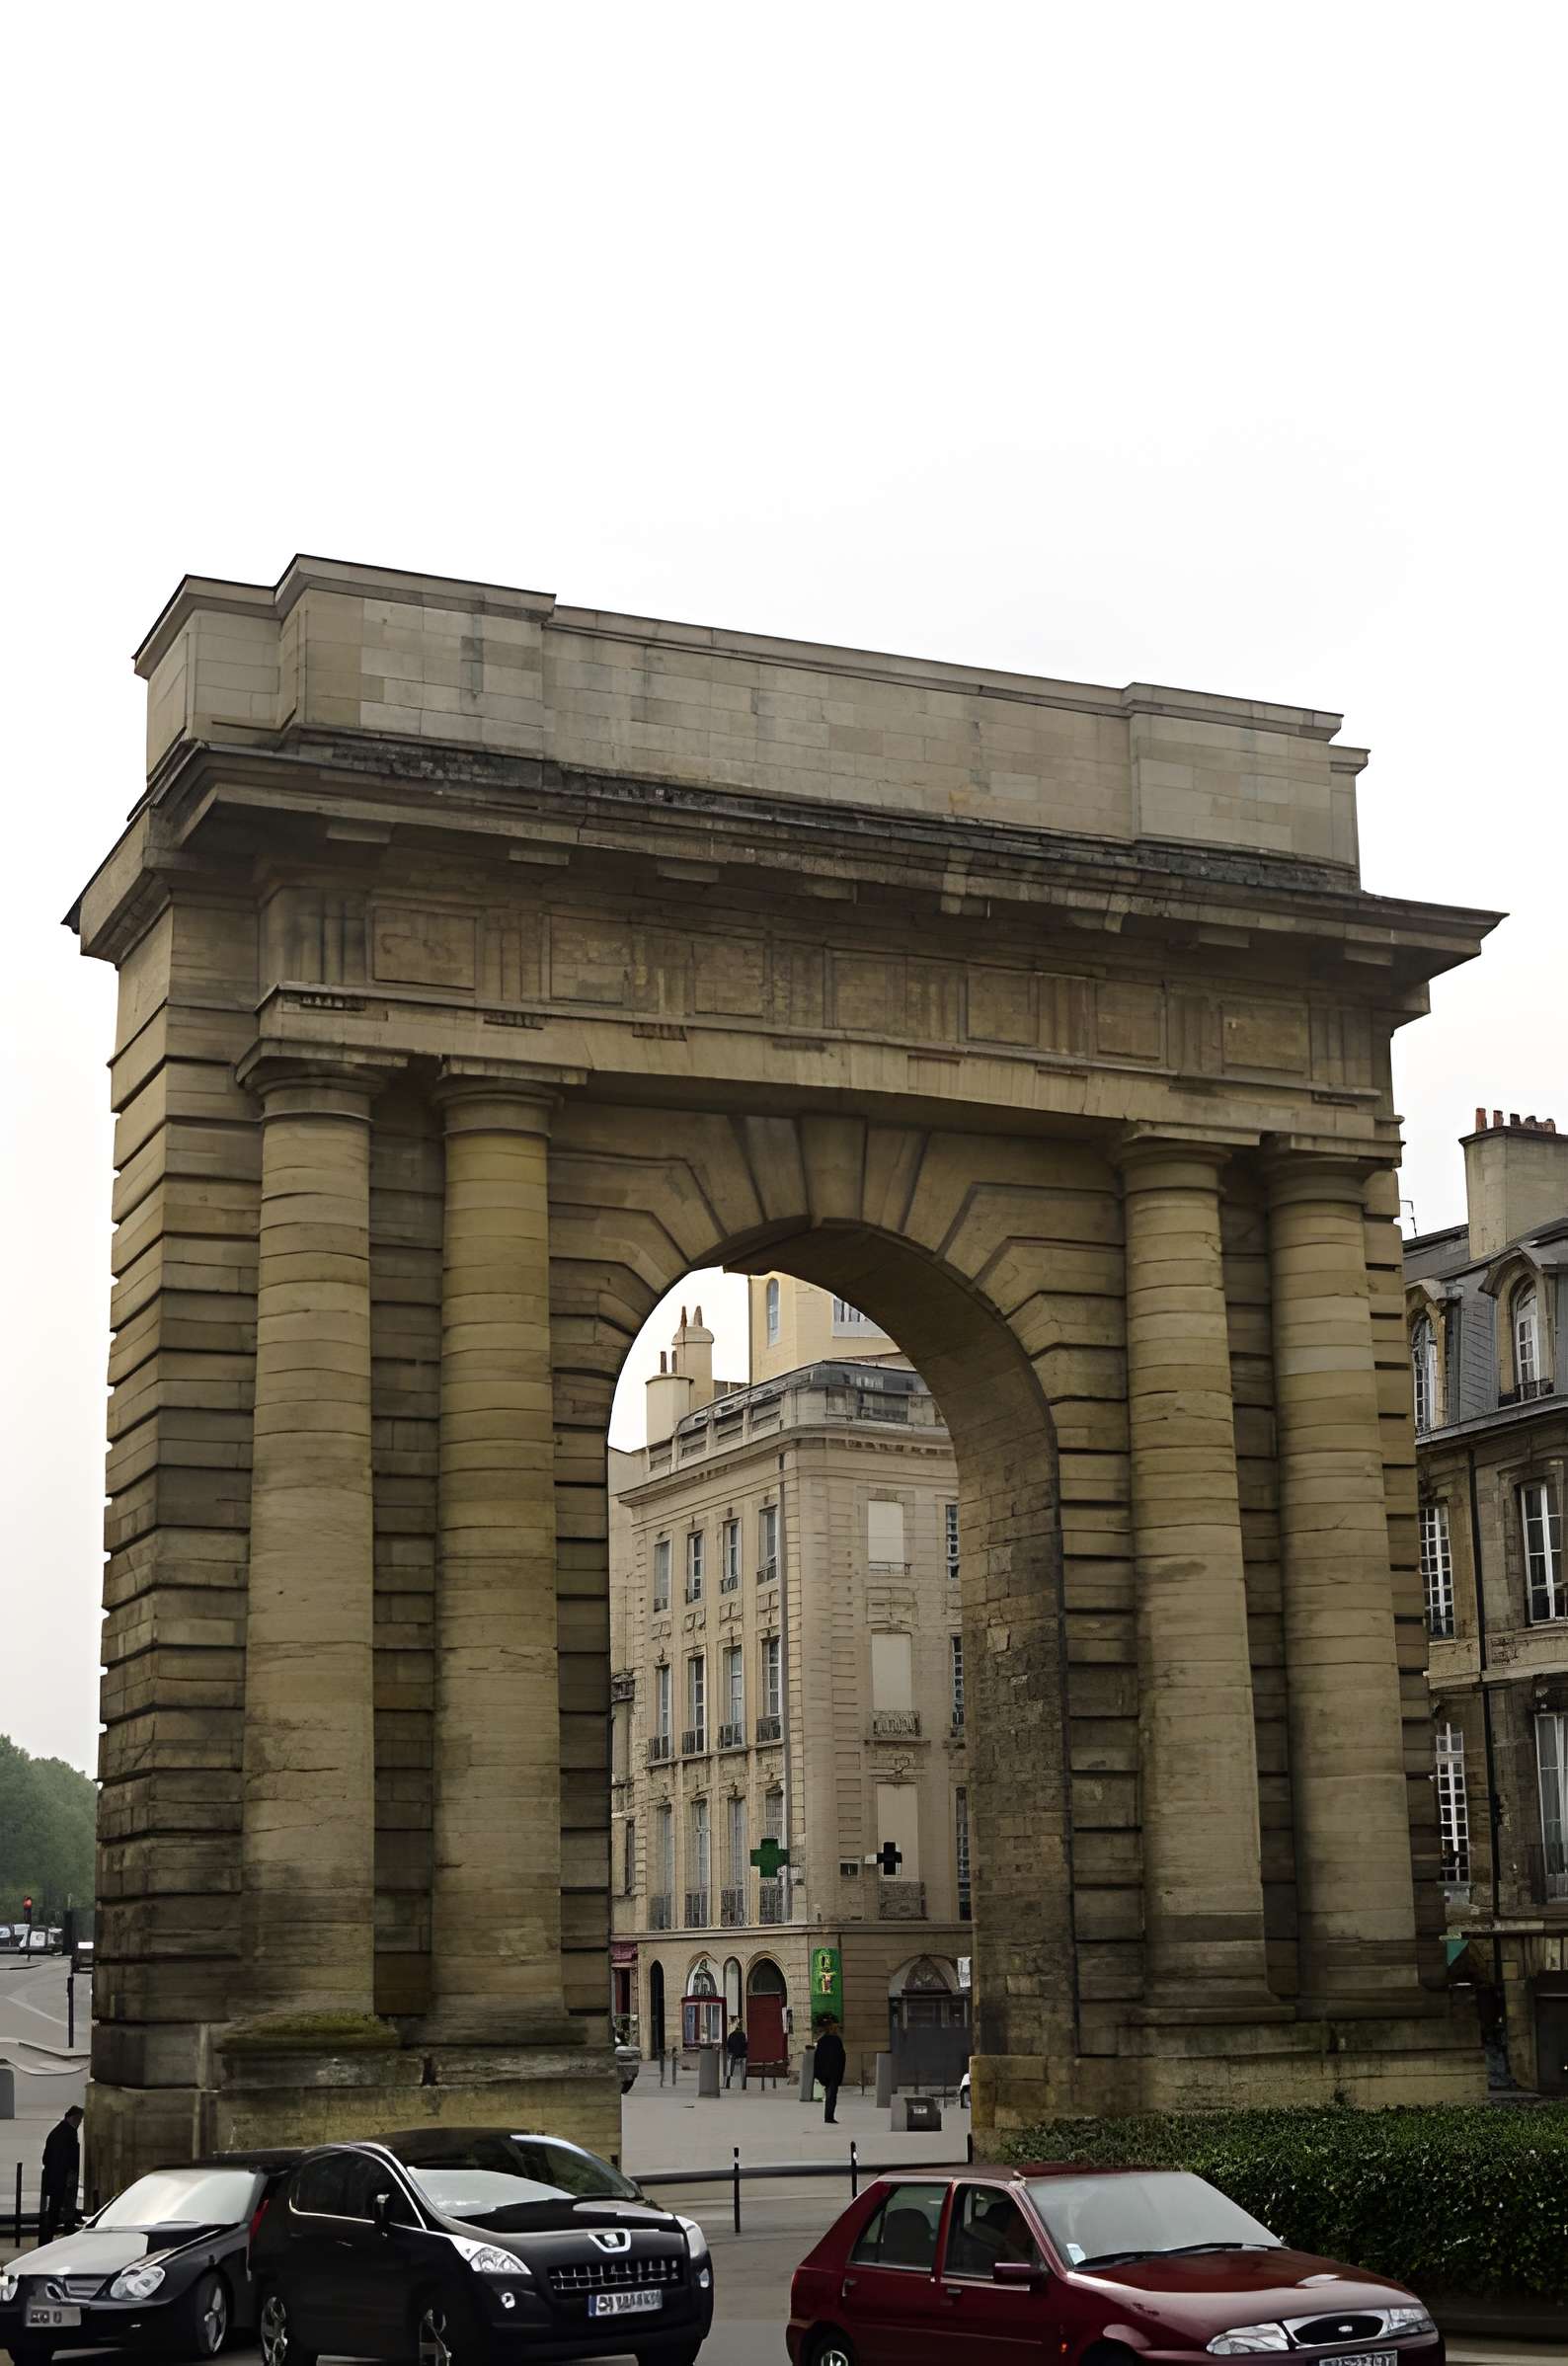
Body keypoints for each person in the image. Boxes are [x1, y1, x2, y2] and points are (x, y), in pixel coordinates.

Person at [39, 2105, 83, 2243]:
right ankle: (49, 2239)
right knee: (57, 2209)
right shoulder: (67, 2133)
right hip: (61, 2177)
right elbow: (67, 2158)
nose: (79, 2123)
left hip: (56, 2177)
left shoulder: (60, 2131)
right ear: (73, 2118)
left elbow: (46, 2157)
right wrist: (69, 2175)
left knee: (56, 2209)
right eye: (79, 2120)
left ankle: (48, 2239)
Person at [814, 2016, 846, 2124]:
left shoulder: (821, 2041)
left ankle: (828, 2116)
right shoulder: (837, 2041)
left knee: (829, 2094)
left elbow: (817, 2058)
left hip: (824, 2072)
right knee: (832, 2095)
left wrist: (817, 2073)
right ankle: (829, 2117)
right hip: (834, 2072)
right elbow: (842, 2057)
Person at [724, 2021, 748, 2089]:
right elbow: (746, 2046)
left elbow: (728, 2046)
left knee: (729, 2063)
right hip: (742, 2055)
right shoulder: (743, 2035)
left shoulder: (731, 2035)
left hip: (733, 2055)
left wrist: (731, 2053)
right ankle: (743, 2083)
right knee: (743, 2065)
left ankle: (728, 2079)